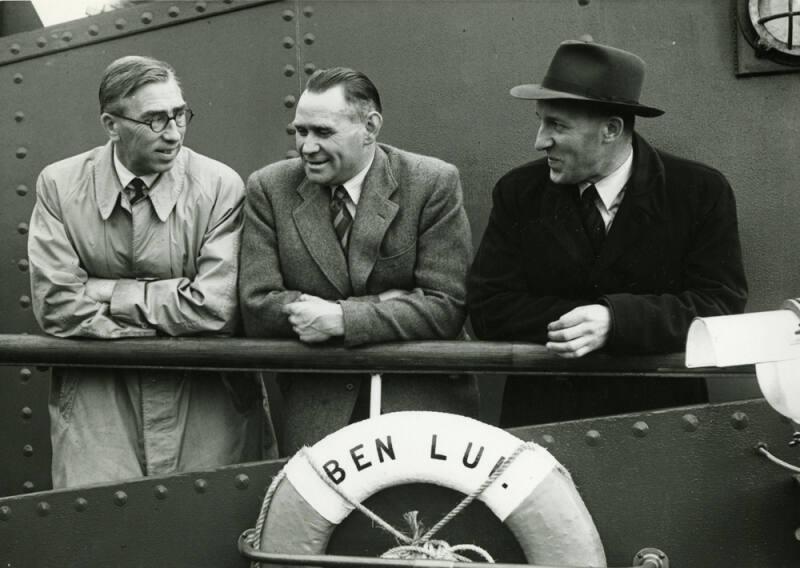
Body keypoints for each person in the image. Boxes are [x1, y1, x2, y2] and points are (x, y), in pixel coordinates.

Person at [468, 40, 748, 427]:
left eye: (557, 125)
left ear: (611, 129)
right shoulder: (518, 192)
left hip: (661, 423)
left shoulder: (699, 192)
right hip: (544, 418)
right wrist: (588, 322)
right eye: (540, 121)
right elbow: (488, 308)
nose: (539, 140)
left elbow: (720, 304)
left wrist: (616, 321)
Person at [28, 55, 269, 488]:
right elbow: (57, 305)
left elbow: (214, 308)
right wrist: (176, 306)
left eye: (180, 115)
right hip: (99, 406)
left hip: (209, 405)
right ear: (111, 124)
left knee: (208, 519)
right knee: (103, 521)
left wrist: (105, 292)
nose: (173, 133)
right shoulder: (59, 185)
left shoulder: (220, 185)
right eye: (155, 120)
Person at [239, 67, 479, 455]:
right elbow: (257, 307)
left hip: (421, 414)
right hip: (320, 413)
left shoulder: (431, 182)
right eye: (301, 131)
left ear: (370, 127)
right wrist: (386, 303)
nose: (307, 147)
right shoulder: (269, 187)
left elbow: (446, 307)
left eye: (323, 132)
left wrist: (342, 318)